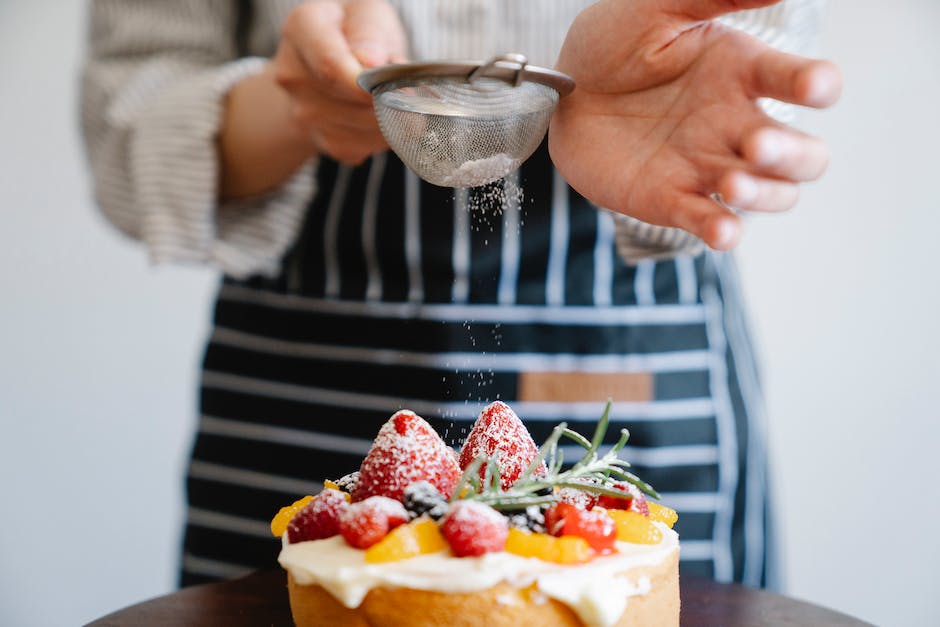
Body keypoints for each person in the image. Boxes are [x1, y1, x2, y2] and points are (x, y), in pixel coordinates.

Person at [81, 0, 841, 589]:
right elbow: (130, 117)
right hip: (299, 373)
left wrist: (695, 106)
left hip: (632, 333)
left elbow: (766, 60)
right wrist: (298, 101)